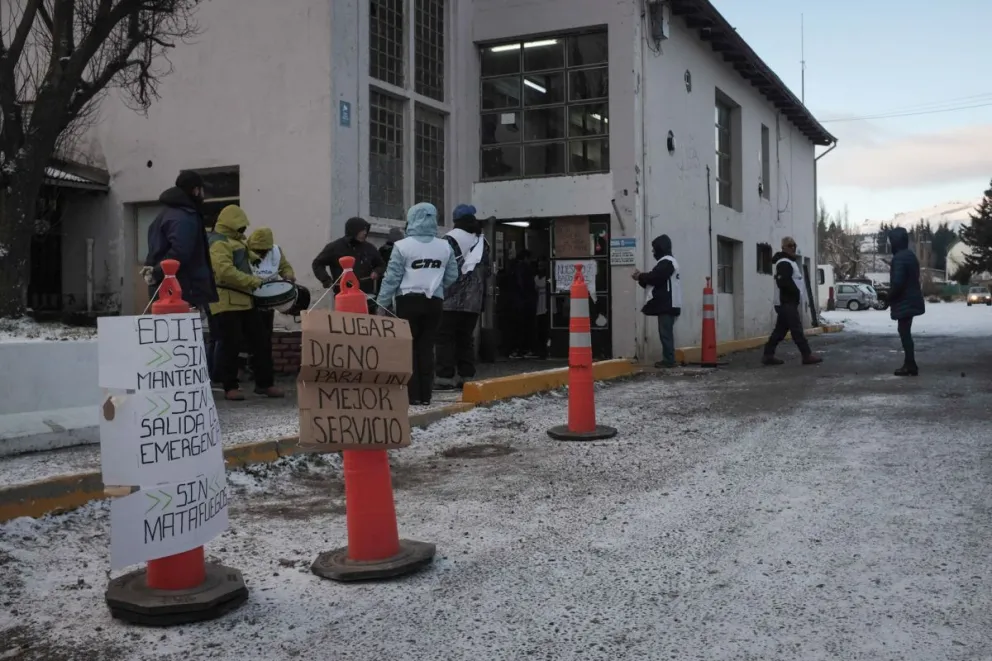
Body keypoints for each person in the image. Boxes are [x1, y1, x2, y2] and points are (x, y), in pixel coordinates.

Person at [376, 202, 458, 406]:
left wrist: (381, 304)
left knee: (408, 348)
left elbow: (392, 278)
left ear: (411, 219)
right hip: (434, 302)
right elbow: (453, 275)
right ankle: (426, 395)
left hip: (407, 300)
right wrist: (436, 286)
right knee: (427, 347)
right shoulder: (444, 246)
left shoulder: (402, 246)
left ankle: (412, 395)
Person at [143, 171, 219, 379]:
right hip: (184, 289)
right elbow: (180, 254)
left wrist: (154, 274)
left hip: (165, 289)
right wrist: (162, 272)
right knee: (187, 341)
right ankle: (189, 383)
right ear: (195, 190)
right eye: (201, 189)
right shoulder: (186, 216)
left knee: (168, 341)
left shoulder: (164, 215)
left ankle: (171, 384)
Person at [208, 205, 284, 400]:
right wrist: (252, 281)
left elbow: (247, 260)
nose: (243, 231)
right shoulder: (218, 243)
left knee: (260, 342)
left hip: (245, 300)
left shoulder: (238, 242)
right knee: (230, 345)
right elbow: (224, 272)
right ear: (231, 225)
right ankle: (230, 386)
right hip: (225, 301)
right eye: (240, 227)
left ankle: (265, 383)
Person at [435, 204, 490, 390]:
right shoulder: (483, 242)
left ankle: (445, 377)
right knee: (465, 338)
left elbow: (441, 267)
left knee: (445, 338)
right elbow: (487, 271)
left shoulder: (448, 240)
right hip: (473, 301)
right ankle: (466, 375)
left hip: (449, 299)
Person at [762, 236, 822, 366]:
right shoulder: (784, 262)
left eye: (794, 245)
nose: (793, 247)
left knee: (780, 331)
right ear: (783, 247)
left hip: (787, 302)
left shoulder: (789, 262)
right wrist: (794, 292)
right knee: (796, 329)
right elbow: (783, 281)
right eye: (790, 245)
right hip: (786, 302)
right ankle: (806, 355)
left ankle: (768, 355)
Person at [247, 226, 296, 382]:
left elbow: (284, 266)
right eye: (258, 250)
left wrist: (289, 275)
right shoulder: (242, 251)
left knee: (265, 338)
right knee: (250, 338)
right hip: (248, 302)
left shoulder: (276, 251)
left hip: (267, 302)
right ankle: (249, 368)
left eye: (264, 251)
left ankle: (260, 371)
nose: (261, 254)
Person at [311, 216, 385, 309]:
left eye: (366, 230)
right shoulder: (335, 247)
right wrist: (326, 280)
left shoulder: (370, 248)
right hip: (344, 296)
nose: (365, 233)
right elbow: (317, 264)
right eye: (362, 230)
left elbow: (381, 264)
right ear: (354, 230)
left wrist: (377, 271)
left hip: (366, 296)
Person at [632, 234, 682, 368]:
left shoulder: (667, 262)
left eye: (654, 249)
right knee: (665, 332)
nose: (653, 252)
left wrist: (640, 276)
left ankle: (669, 360)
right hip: (669, 303)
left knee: (665, 333)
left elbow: (656, 277)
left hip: (668, 304)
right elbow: (654, 282)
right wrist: (641, 278)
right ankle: (668, 358)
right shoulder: (668, 262)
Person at [887, 226, 925, 376]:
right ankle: (910, 363)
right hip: (911, 299)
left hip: (905, 301)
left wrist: (889, 297)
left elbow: (898, 283)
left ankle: (910, 364)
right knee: (905, 331)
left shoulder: (899, 258)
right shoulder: (910, 255)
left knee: (904, 332)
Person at [508, 249, 538, 358]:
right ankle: (523, 349)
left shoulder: (513, 267)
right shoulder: (524, 268)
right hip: (523, 302)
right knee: (524, 327)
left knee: (517, 327)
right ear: (526, 258)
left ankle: (516, 349)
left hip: (515, 302)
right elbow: (524, 284)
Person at [533, 257, 550, 359]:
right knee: (540, 329)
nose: (541, 268)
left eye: (542, 266)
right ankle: (541, 350)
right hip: (539, 304)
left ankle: (546, 350)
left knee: (546, 328)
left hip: (547, 303)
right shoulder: (536, 277)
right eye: (539, 266)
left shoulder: (548, 277)